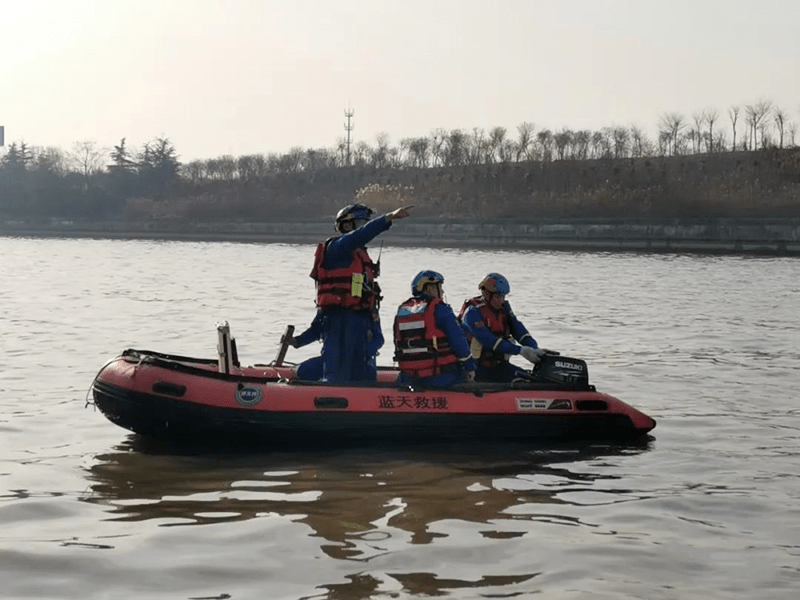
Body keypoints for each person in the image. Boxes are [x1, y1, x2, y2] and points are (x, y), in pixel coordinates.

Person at [311, 202, 411, 383]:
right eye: (362, 222)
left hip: (358, 319)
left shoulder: (357, 257)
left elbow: (357, 289)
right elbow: (361, 235)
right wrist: (388, 217)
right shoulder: (337, 247)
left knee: (362, 371)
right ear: (347, 225)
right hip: (338, 320)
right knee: (336, 368)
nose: (365, 226)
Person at [394, 270, 476, 387]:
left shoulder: (402, 311)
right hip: (439, 376)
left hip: (409, 376)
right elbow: (459, 342)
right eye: (440, 287)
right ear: (430, 289)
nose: (442, 291)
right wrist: (470, 366)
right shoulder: (441, 309)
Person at [458, 272, 545, 383]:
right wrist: (520, 350)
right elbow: (487, 339)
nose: (501, 300)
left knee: (533, 380)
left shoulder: (504, 309)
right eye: (498, 296)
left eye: (503, 296)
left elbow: (518, 329)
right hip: (478, 368)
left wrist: (534, 348)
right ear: (486, 294)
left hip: (500, 366)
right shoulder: (472, 312)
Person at [288, 309, 384, 381]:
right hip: (336, 362)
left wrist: (362, 356)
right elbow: (378, 339)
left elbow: (315, 330)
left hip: (351, 364)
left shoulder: (327, 308)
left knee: (302, 371)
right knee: (301, 371)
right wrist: (297, 341)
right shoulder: (367, 308)